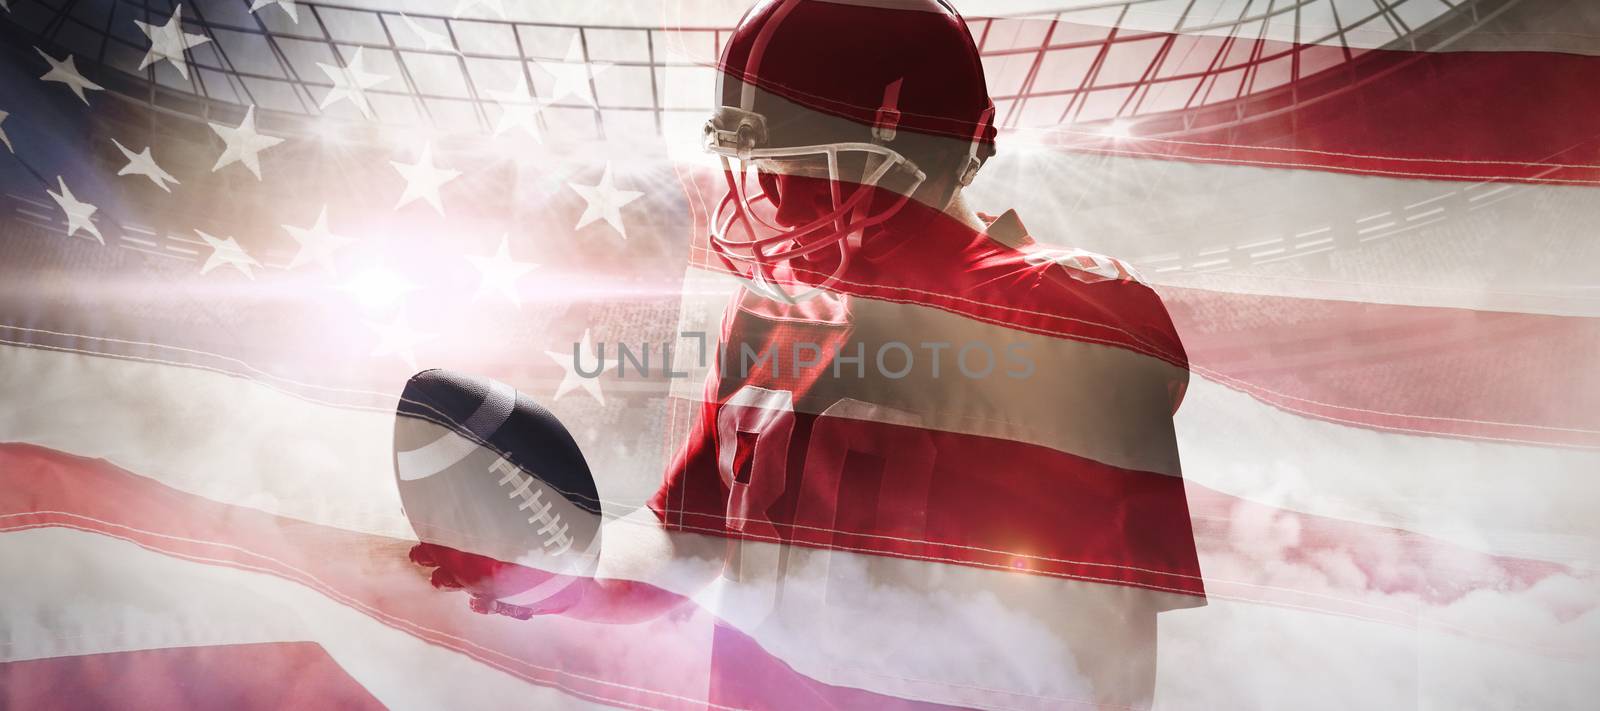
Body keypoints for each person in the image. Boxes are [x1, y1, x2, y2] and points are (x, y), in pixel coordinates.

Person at [401, 1, 1205, 707]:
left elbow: (1111, 656)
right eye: (761, 165)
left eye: (804, 164)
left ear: (914, 147)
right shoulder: (771, 311)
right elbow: (689, 538)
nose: (773, 196)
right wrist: (559, 576)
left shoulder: (1064, 314)